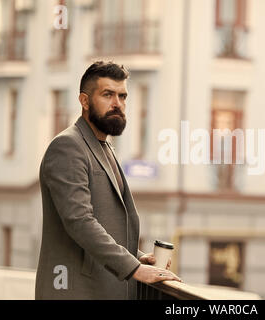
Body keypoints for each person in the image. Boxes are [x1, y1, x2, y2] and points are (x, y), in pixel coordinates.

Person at [35, 61, 181, 300]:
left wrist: (135, 257)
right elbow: (80, 221)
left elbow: (106, 224)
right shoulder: (68, 146)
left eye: (122, 96)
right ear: (84, 101)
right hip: (74, 292)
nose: (118, 104)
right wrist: (134, 269)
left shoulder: (105, 147)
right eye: (107, 95)